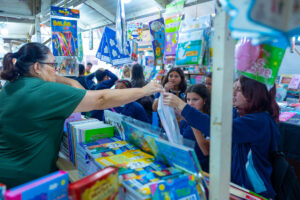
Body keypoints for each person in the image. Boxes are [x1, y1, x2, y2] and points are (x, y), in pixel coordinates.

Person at [0, 42, 162, 188]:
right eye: (52, 65)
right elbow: (100, 99)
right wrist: (144, 90)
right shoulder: (43, 90)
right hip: (25, 179)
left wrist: (52, 74)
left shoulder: (10, 86)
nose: (56, 70)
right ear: (36, 67)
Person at [163, 75, 279, 198]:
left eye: (239, 90)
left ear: (254, 93)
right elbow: (214, 123)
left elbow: (218, 128)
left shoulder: (259, 121)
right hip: (237, 184)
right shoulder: (239, 113)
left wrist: (183, 107)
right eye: (233, 88)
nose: (233, 93)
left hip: (253, 190)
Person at [180, 84, 211, 172]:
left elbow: (206, 151)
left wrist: (192, 120)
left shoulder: (209, 121)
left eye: (195, 99)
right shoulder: (184, 122)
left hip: (204, 168)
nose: (190, 103)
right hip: (188, 164)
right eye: (188, 100)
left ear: (205, 100)